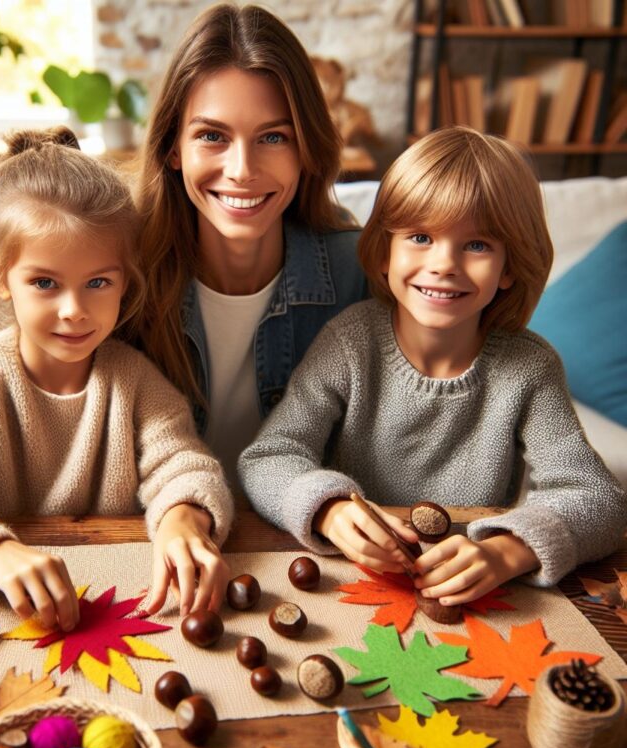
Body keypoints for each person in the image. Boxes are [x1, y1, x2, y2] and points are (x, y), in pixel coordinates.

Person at [239, 126, 627, 605]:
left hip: (472, 600)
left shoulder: (529, 367)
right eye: (421, 237)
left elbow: (598, 498)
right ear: (385, 253)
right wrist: (329, 510)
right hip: (350, 586)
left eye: (477, 244)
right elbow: (269, 457)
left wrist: (508, 552)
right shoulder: (350, 342)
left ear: (510, 267)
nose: (444, 264)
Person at [0, 128, 234, 629]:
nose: (73, 310)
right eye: (45, 282)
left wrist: (182, 519)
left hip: (115, 600)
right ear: (0, 277)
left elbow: (184, 466)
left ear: (124, 281)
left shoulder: (134, 381)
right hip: (2, 614)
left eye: (97, 282)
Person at [134, 3, 367, 480]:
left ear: (306, 148)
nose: (242, 170)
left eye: (273, 138)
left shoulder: (359, 274)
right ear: (173, 148)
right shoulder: (120, 274)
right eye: (212, 136)